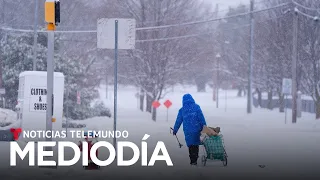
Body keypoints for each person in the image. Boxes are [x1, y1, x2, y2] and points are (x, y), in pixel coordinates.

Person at [173, 94, 207, 166]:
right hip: (196, 129)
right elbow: (201, 118)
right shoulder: (196, 107)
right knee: (195, 144)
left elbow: (178, 121)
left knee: (191, 145)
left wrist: (175, 130)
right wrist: (205, 127)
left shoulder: (182, 110)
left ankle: (192, 160)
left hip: (188, 131)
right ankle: (195, 159)